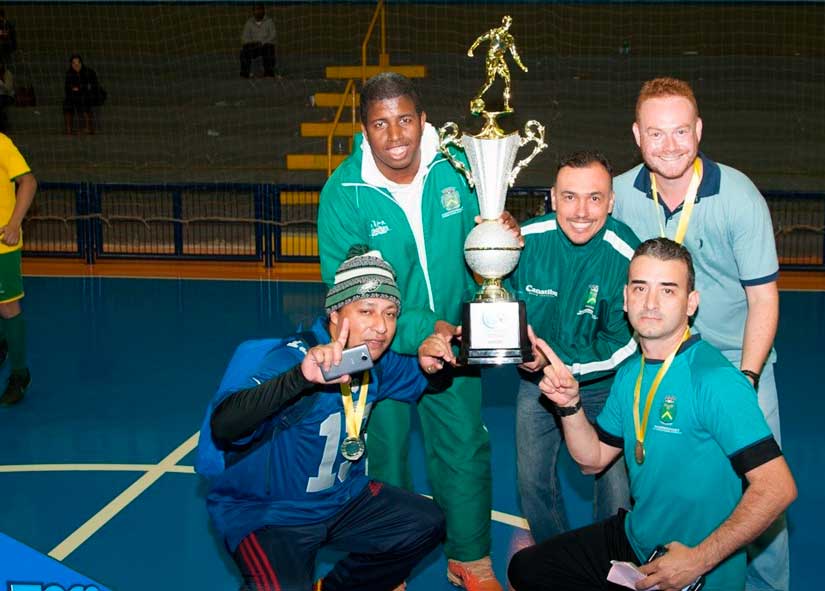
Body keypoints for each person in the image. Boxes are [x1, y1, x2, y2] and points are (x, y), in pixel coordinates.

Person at [317, 72, 521, 591]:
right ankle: (388, 569)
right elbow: (353, 296)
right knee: (380, 455)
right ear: (364, 131)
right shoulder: (344, 192)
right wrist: (425, 330)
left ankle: (470, 560)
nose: (395, 135)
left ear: (422, 119)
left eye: (404, 119)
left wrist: (501, 236)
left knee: (464, 447)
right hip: (378, 347)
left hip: (454, 340)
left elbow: (484, 232)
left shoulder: (458, 165)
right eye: (380, 124)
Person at [507, 238, 797, 591]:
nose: (650, 303)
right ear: (625, 298)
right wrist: (569, 405)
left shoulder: (715, 380)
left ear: (691, 303)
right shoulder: (631, 373)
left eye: (668, 291)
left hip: (697, 566)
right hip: (636, 541)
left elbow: (777, 488)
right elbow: (593, 459)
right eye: (640, 288)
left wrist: (697, 560)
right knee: (528, 569)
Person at [611, 77, 788, 590]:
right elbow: (575, 222)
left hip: (733, 365)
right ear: (638, 136)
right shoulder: (621, 193)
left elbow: (764, 298)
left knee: (763, 503)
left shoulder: (737, 196)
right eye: (657, 134)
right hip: (657, 369)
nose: (670, 145)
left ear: (699, 131)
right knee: (669, 498)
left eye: (681, 132)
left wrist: (748, 378)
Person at [202, 246, 455, 591]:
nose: (381, 327)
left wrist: (435, 360)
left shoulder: (371, 360)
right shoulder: (292, 357)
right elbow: (225, 425)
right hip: (272, 515)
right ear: (336, 312)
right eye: (367, 310)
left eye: (391, 313)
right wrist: (300, 379)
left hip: (342, 500)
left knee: (425, 523)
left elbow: (426, 378)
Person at [510, 150, 639, 544]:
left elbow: (625, 343)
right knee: (531, 481)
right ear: (552, 197)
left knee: (615, 491)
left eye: (594, 198)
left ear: (611, 202)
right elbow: (498, 305)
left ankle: (607, 562)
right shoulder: (523, 243)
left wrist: (558, 366)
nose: (581, 211)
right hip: (537, 382)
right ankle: (556, 561)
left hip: (607, 386)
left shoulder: (628, 255)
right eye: (569, 197)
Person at [0, 132, 34, 406]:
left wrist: (13, 224)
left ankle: (20, 375)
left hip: (1, 245)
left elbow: (28, 181)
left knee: (8, 307)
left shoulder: (1, 143)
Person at [63, 54, 102, 135]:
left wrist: (79, 89)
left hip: (90, 95)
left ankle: (89, 128)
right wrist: (77, 89)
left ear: (81, 63)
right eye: (73, 63)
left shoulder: (89, 72)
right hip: (75, 95)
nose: (76, 65)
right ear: (71, 64)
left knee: (83, 100)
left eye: (77, 63)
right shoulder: (69, 73)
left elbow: (92, 86)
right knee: (67, 103)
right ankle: (68, 129)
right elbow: (68, 88)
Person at [240, 3, 276, 78]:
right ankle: (245, 73)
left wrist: (263, 43)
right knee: (244, 50)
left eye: (260, 9)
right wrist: (253, 43)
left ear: (264, 11)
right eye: (256, 10)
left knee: (269, 48)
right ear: (253, 11)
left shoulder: (269, 21)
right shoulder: (249, 22)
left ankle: (269, 73)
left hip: (265, 45)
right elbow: (244, 38)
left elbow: (273, 35)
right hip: (254, 46)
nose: (258, 11)